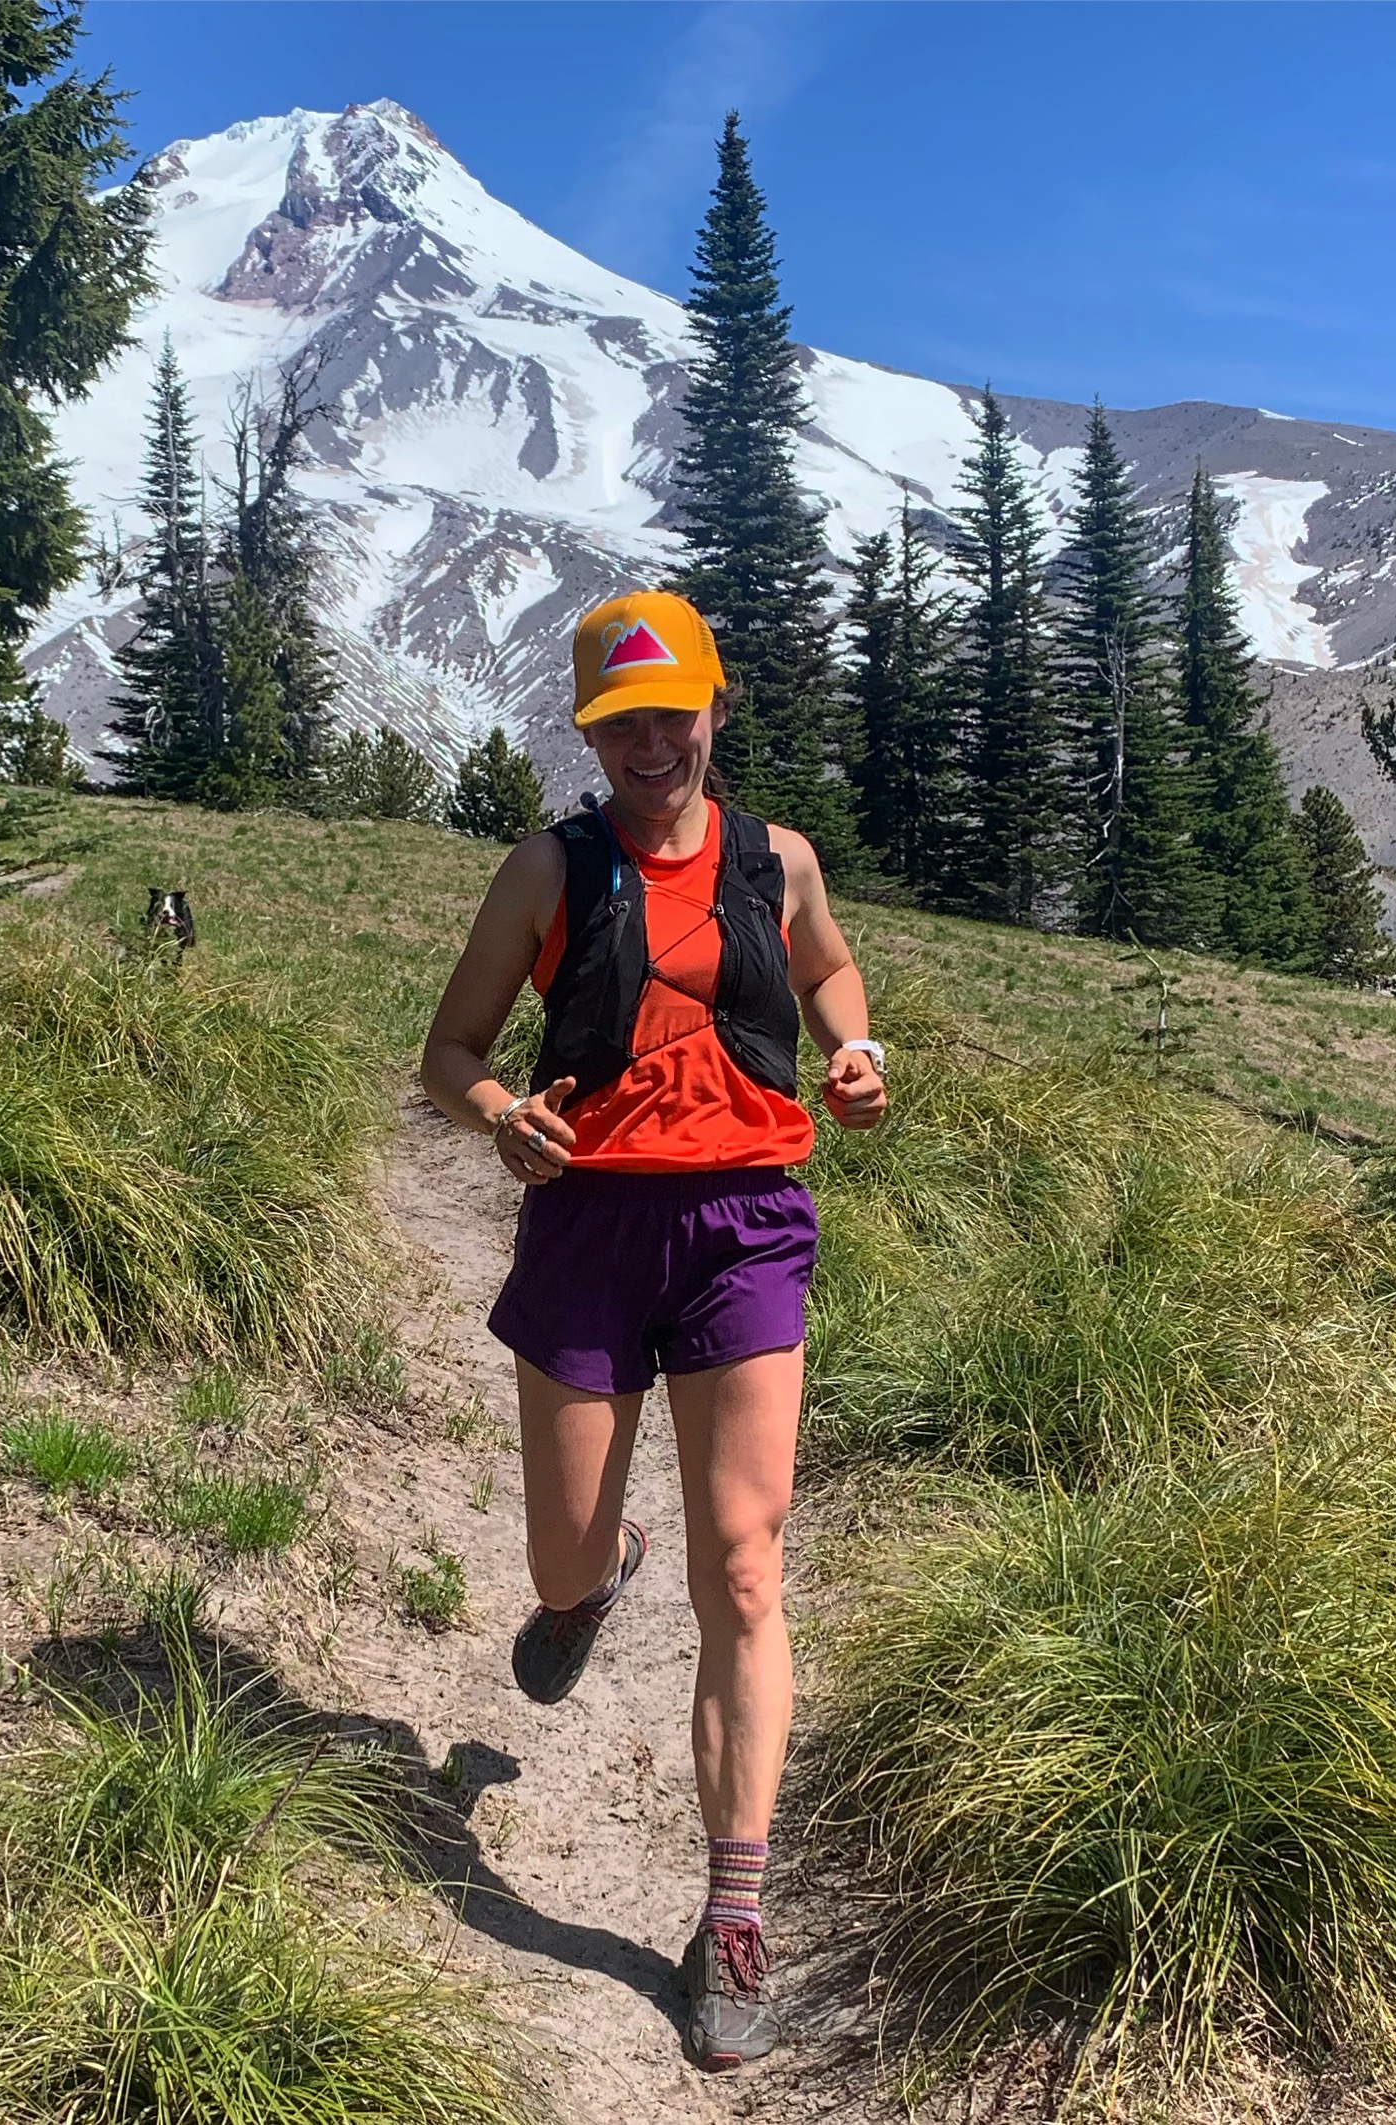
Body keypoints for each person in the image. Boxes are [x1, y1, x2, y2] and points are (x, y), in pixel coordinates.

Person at [420, 589, 887, 2070]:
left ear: (714, 707)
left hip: (746, 1221)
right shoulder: (546, 868)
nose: (648, 743)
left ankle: (733, 1909)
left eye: (669, 713)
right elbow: (449, 1051)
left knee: (743, 1561)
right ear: (590, 732)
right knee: (564, 1549)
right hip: (590, 1228)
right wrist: (501, 1116)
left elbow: (821, 972)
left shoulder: (776, 862)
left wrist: (855, 1047)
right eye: (619, 721)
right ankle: (588, 1579)